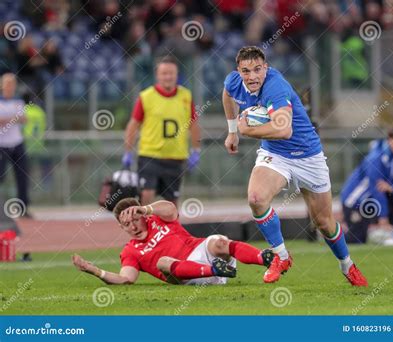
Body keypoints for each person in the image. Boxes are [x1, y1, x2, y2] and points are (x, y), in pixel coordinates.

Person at [222, 46, 367, 286]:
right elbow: (227, 94)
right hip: (276, 155)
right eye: (246, 71)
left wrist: (246, 129)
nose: (252, 76)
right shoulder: (233, 82)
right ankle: (281, 256)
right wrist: (232, 132)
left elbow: (284, 129)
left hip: (308, 156)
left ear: (265, 68)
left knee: (324, 222)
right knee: (256, 198)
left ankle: (347, 265)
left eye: (257, 69)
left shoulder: (275, 87)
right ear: (238, 71)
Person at [72, 197, 274, 285]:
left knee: (218, 241)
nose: (132, 227)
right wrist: (95, 271)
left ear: (144, 215)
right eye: (126, 225)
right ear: (120, 227)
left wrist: (147, 209)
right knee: (162, 263)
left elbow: (170, 208)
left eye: (135, 219)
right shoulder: (130, 251)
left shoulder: (157, 217)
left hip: (201, 252)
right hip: (189, 276)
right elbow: (126, 279)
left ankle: (265, 259)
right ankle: (216, 269)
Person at [122, 55, 201, 205]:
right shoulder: (146, 97)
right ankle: (146, 228)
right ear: (157, 75)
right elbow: (133, 125)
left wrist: (196, 150)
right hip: (150, 156)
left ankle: (170, 228)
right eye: (164, 73)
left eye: (171, 73)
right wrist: (128, 151)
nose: (168, 77)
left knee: (172, 203)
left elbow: (194, 124)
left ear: (177, 75)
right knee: (146, 195)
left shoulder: (186, 96)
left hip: (176, 158)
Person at [340, 126, 393, 246]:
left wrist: (392, 187)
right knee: (357, 239)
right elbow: (376, 188)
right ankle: (333, 234)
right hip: (355, 201)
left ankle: (389, 230)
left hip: (372, 200)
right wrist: (383, 217)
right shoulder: (375, 158)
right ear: (390, 140)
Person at [0, 73, 31, 217]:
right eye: (7, 84)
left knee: (22, 176)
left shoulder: (18, 101)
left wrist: (7, 119)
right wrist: (13, 118)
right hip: (2, 144)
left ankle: (23, 208)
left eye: (12, 84)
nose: (10, 87)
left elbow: (24, 119)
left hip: (17, 143)